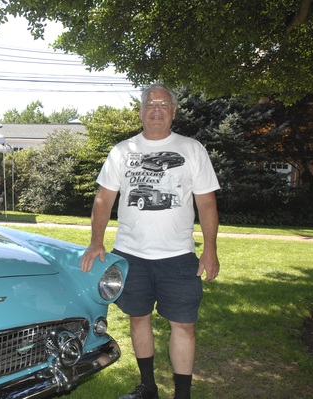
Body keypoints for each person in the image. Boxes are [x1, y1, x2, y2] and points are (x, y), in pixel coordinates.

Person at [79, 83, 220, 399]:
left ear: (173, 111)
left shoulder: (192, 149)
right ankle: (148, 388)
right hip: (131, 254)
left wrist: (209, 249)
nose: (157, 110)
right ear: (141, 111)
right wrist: (96, 242)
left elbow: (207, 203)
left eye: (164, 104)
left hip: (179, 256)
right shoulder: (122, 151)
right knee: (138, 318)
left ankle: (182, 394)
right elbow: (104, 199)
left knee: (184, 326)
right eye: (150, 104)